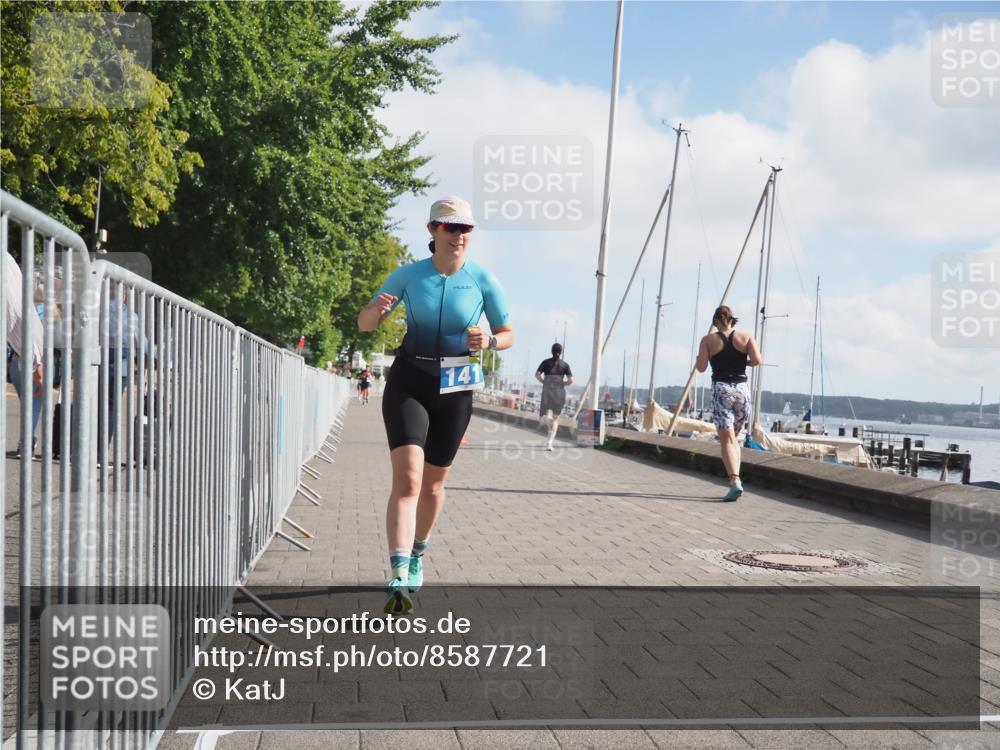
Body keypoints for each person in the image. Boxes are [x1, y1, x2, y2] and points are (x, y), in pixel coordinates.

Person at [358, 196, 514, 613]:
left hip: (457, 386)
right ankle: (397, 573)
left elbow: (507, 332)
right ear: (432, 231)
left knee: (433, 485)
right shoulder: (408, 275)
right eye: (451, 227)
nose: (460, 235)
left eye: (466, 228)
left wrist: (492, 341)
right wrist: (376, 310)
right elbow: (365, 323)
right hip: (411, 379)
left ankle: (417, 553)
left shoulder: (484, 280)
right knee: (408, 480)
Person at [695, 305, 762, 501]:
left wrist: (699, 358)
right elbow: (757, 359)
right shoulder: (746, 337)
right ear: (733, 320)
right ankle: (737, 479)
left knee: (727, 440)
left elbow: (701, 367)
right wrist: (745, 363)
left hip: (721, 389)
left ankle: (734, 481)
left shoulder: (708, 340)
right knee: (735, 438)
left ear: (716, 321)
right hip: (742, 390)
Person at [5, 252, 44, 459]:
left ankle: (27, 441)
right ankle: (26, 441)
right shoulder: (45, 311)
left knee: (29, 400)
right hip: (29, 356)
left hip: (17, 358)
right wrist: (37, 362)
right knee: (35, 400)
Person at [535, 343, 573, 451]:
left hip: (547, 392)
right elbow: (571, 380)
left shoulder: (545, 362)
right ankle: (549, 444)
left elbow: (537, 375)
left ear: (551, 351)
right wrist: (563, 384)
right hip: (560, 394)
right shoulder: (565, 365)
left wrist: (544, 382)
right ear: (561, 352)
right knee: (556, 420)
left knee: (542, 418)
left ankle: (547, 419)